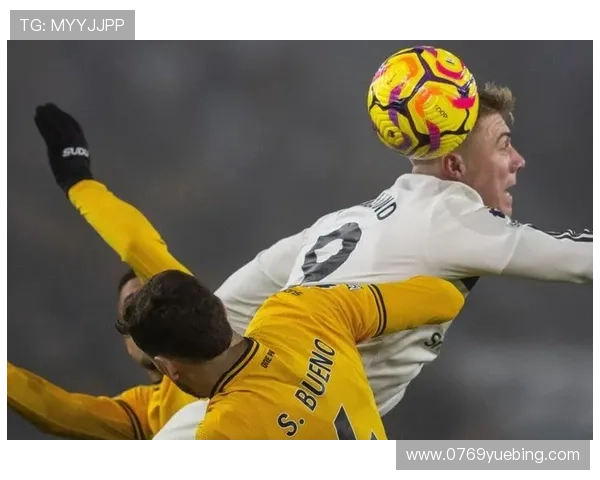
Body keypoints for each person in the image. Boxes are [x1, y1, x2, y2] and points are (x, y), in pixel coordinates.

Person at [153, 81, 594, 440]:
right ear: (455, 167)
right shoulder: (450, 218)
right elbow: (582, 259)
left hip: (216, 427)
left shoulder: (343, 222)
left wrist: (163, 345)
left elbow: (228, 302)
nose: (518, 161)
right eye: (503, 145)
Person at [32, 103, 464, 439]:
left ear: (169, 365)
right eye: (130, 303)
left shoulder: (217, 430)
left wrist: (79, 182)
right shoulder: (300, 316)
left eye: (140, 292)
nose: (139, 296)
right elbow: (58, 408)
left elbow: (137, 246)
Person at [6, 269, 198, 440]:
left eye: (150, 304)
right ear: (127, 343)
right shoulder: (143, 410)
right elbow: (62, 410)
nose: (143, 316)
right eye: (130, 309)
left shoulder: (208, 355)